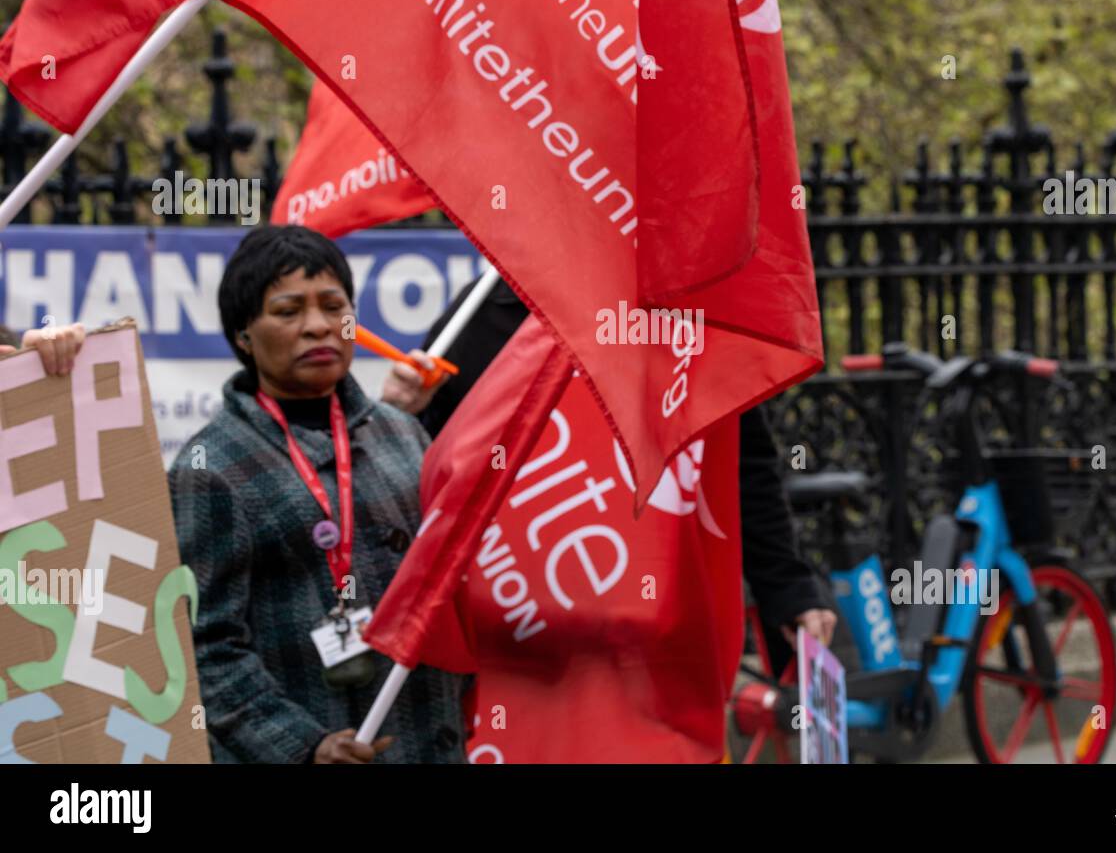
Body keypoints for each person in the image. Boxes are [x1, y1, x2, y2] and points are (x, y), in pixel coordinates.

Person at [380, 277, 837, 676]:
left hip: (651, 641)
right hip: (516, 638)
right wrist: (400, 416)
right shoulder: (475, 319)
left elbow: (741, 460)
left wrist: (787, 586)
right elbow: (434, 476)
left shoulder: (680, 313)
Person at [169, 226, 468, 764]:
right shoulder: (211, 467)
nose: (319, 327)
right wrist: (303, 748)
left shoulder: (401, 432)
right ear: (243, 335)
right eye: (287, 312)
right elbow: (205, 649)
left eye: (335, 306)